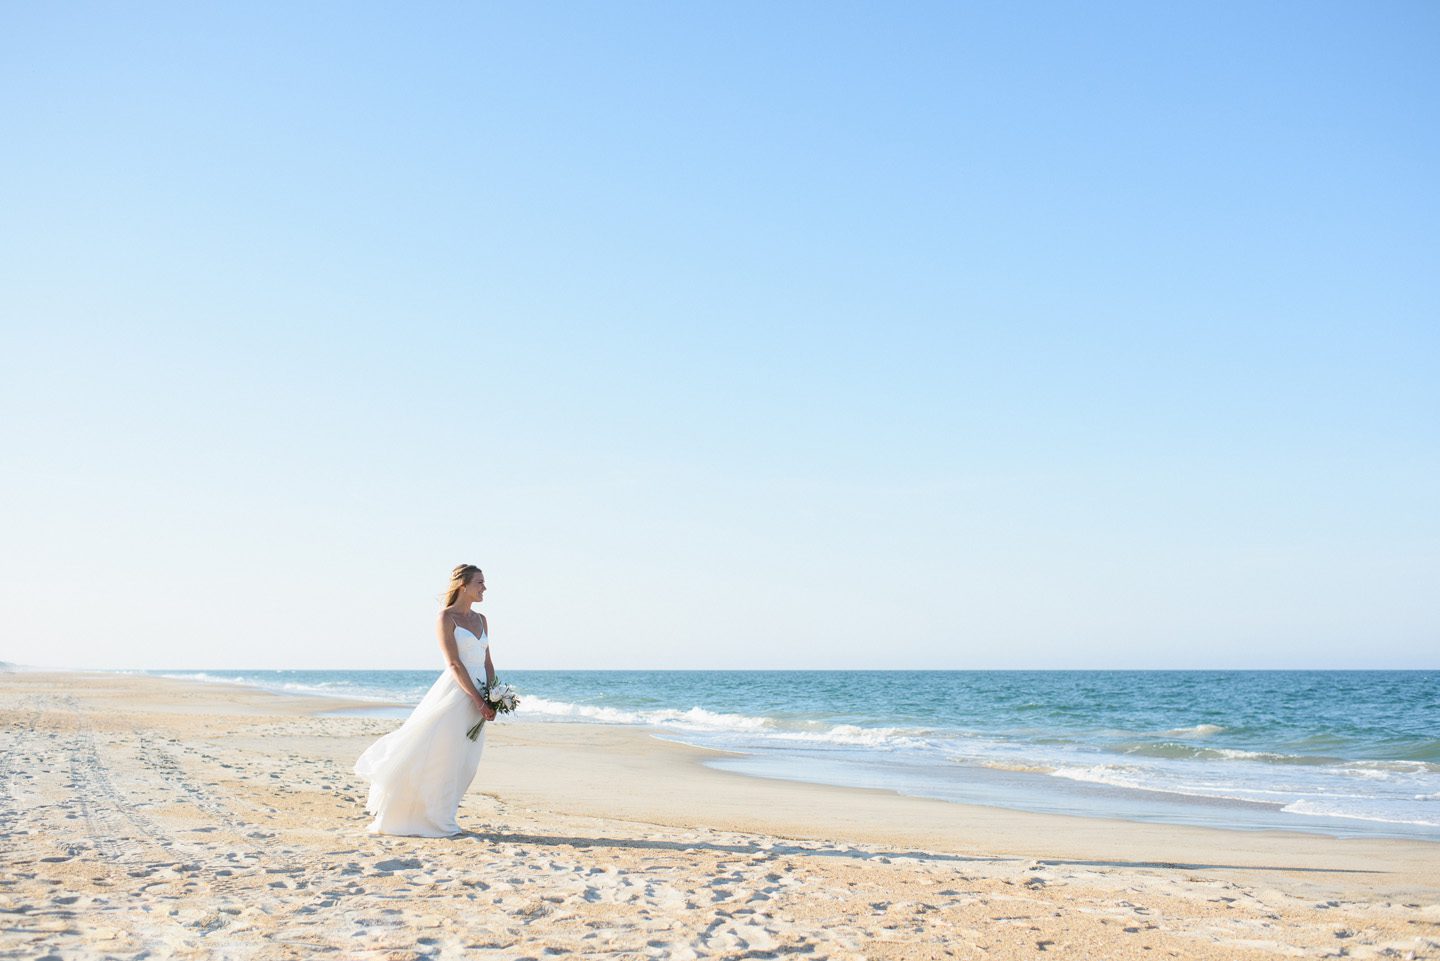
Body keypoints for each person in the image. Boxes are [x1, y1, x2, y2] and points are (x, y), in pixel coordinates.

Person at [353, 564, 497, 837]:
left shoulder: (482, 620)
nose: (484, 588)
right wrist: (477, 699)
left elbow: (488, 662)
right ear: (463, 586)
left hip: (480, 696)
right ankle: (432, 820)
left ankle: (444, 814)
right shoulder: (446, 618)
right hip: (457, 694)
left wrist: (493, 696)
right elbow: (454, 664)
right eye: (480, 582)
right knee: (441, 755)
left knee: (465, 761)